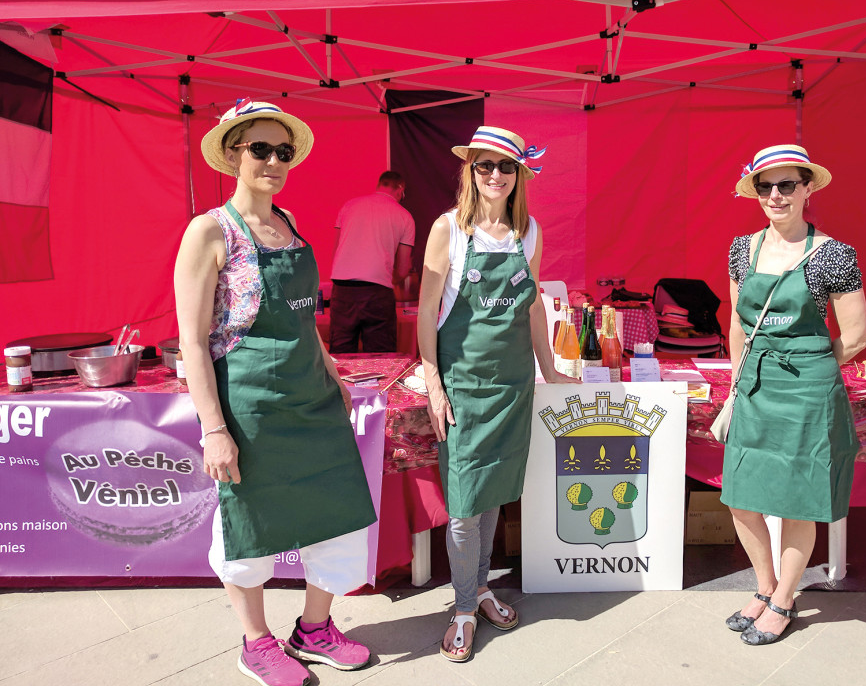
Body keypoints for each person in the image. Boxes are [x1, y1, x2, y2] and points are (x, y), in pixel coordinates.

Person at [175, 100, 378, 686]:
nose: (272, 161)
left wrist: (332, 374)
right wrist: (214, 429)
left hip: (312, 397)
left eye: (282, 151)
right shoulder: (209, 230)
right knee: (250, 521)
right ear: (233, 153)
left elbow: (303, 321)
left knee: (335, 512)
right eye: (259, 149)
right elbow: (192, 340)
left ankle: (314, 630)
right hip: (251, 407)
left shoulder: (289, 223)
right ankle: (256, 643)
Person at [417, 125, 574, 663]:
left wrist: (550, 370)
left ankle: (480, 588)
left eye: (505, 166)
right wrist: (433, 383)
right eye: (484, 165)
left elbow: (531, 306)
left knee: (492, 495)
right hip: (464, 387)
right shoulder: (448, 230)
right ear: (470, 171)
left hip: (512, 385)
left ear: (519, 175)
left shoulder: (529, 233)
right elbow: (426, 312)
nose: (495, 175)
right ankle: (463, 607)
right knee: (464, 505)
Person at [721, 144, 866, 646]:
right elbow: (737, 325)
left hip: (808, 390)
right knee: (741, 499)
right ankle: (764, 588)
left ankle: (784, 599)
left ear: (807, 189)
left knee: (797, 502)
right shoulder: (742, 249)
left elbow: (855, 337)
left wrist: (809, 366)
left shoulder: (834, 254)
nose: (776, 195)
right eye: (766, 186)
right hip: (754, 385)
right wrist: (738, 380)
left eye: (787, 185)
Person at [328, 170, 415, 353]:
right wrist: (390, 279)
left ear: (379, 185)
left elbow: (336, 250)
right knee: (380, 355)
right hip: (378, 291)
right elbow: (403, 268)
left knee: (341, 353)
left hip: (342, 290)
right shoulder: (404, 216)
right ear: (400, 190)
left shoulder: (349, 206)